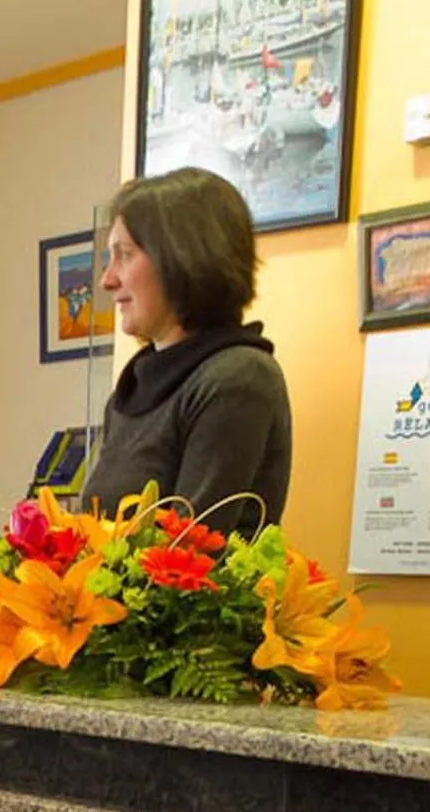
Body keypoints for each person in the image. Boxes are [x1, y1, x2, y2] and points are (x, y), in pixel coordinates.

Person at [80, 166, 293, 536]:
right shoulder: (134, 385)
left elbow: (190, 547)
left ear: (182, 259)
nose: (107, 279)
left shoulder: (236, 378)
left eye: (125, 255)